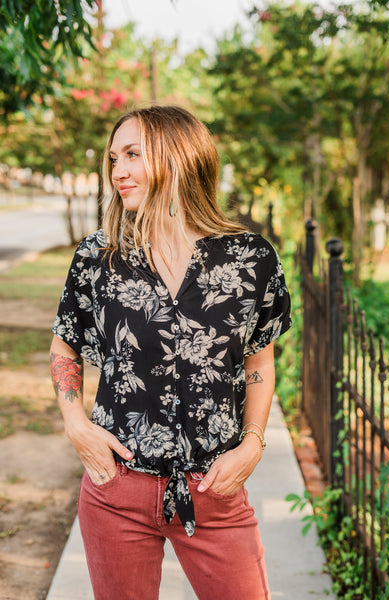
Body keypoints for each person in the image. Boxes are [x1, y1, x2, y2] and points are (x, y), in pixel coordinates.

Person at [50, 105, 291, 600]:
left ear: (179, 158)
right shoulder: (99, 257)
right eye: (114, 158)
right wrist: (76, 423)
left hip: (214, 492)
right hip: (116, 489)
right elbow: (64, 343)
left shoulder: (251, 259)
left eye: (133, 154)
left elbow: (258, 360)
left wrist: (253, 444)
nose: (118, 170)